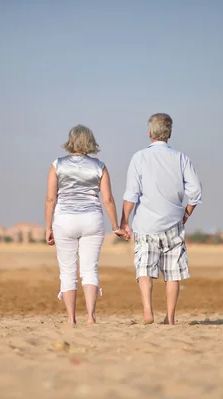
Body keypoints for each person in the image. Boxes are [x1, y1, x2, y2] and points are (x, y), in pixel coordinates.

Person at [120, 113, 202, 325]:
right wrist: (186, 214)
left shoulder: (139, 157)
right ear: (169, 133)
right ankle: (170, 317)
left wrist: (123, 221)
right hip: (174, 223)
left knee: (144, 269)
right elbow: (195, 192)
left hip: (146, 224)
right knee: (172, 273)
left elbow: (131, 194)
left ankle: (148, 312)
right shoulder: (181, 158)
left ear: (150, 133)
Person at [45, 124, 128, 326]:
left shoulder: (57, 164)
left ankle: (72, 319)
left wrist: (48, 227)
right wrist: (116, 225)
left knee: (67, 271)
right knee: (90, 269)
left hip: (64, 220)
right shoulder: (100, 166)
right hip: (92, 219)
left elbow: (50, 199)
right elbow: (107, 199)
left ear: (70, 140)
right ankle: (90, 316)